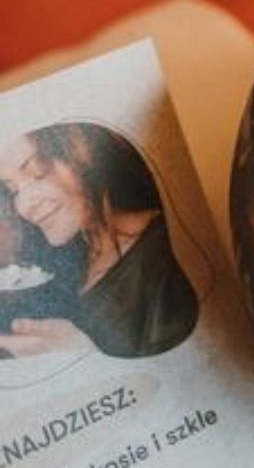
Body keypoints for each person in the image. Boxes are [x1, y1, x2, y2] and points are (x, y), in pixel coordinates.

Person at [0, 123, 198, 358]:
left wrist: (81, 352)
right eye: (13, 190)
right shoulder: (71, 256)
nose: (23, 206)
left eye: (37, 172)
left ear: (84, 154)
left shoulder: (165, 257)